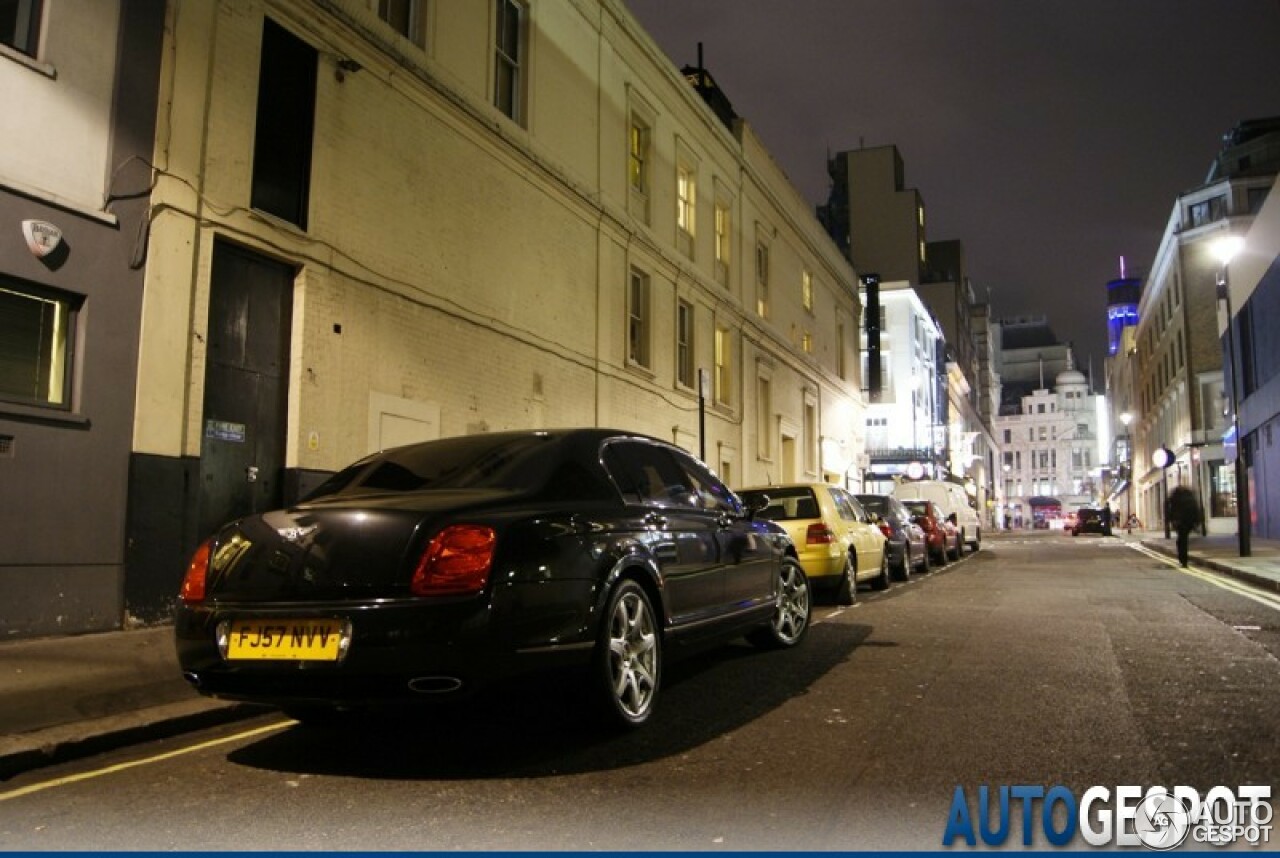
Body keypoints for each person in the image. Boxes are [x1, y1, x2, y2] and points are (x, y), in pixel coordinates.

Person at [1165, 486, 1202, 567]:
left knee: (1181, 540)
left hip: (1180, 522)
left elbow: (1170, 510)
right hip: (1189, 522)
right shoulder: (1190, 498)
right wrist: (1196, 523)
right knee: (1184, 539)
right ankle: (1183, 559)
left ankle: (1183, 559)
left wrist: (1170, 520)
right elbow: (1196, 510)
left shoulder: (1175, 499)